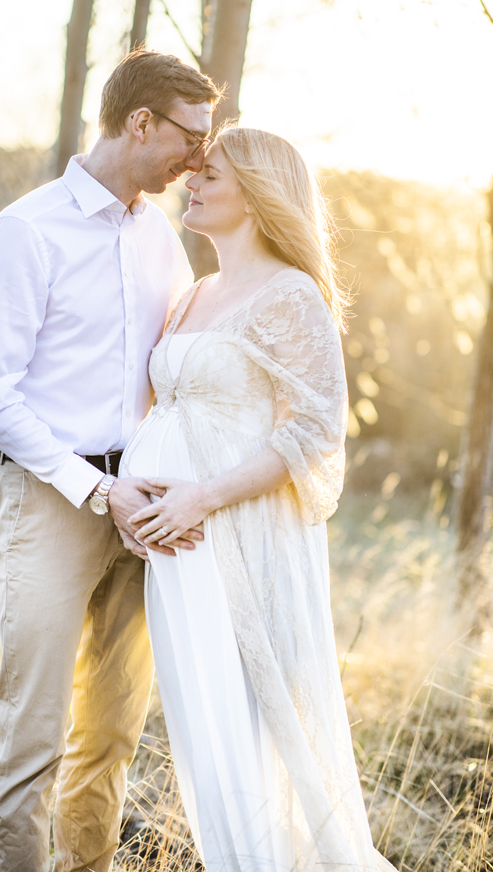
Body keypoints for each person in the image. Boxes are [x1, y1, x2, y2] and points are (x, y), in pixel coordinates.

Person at [0, 49, 222, 872]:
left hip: (144, 505)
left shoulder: (161, 237)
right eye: (190, 136)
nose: (199, 158)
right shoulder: (25, 231)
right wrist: (95, 488)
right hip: (52, 496)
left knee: (111, 732)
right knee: (33, 731)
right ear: (139, 122)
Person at [121, 127, 397, 872]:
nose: (191, 183)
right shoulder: (197, 292)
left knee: (257, 721)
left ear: (257, 193)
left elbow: (315, 428)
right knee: (205, 724)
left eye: (209, 175)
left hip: (239, 534)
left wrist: (200, 498)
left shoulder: (290, 293)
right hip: (174, 544)